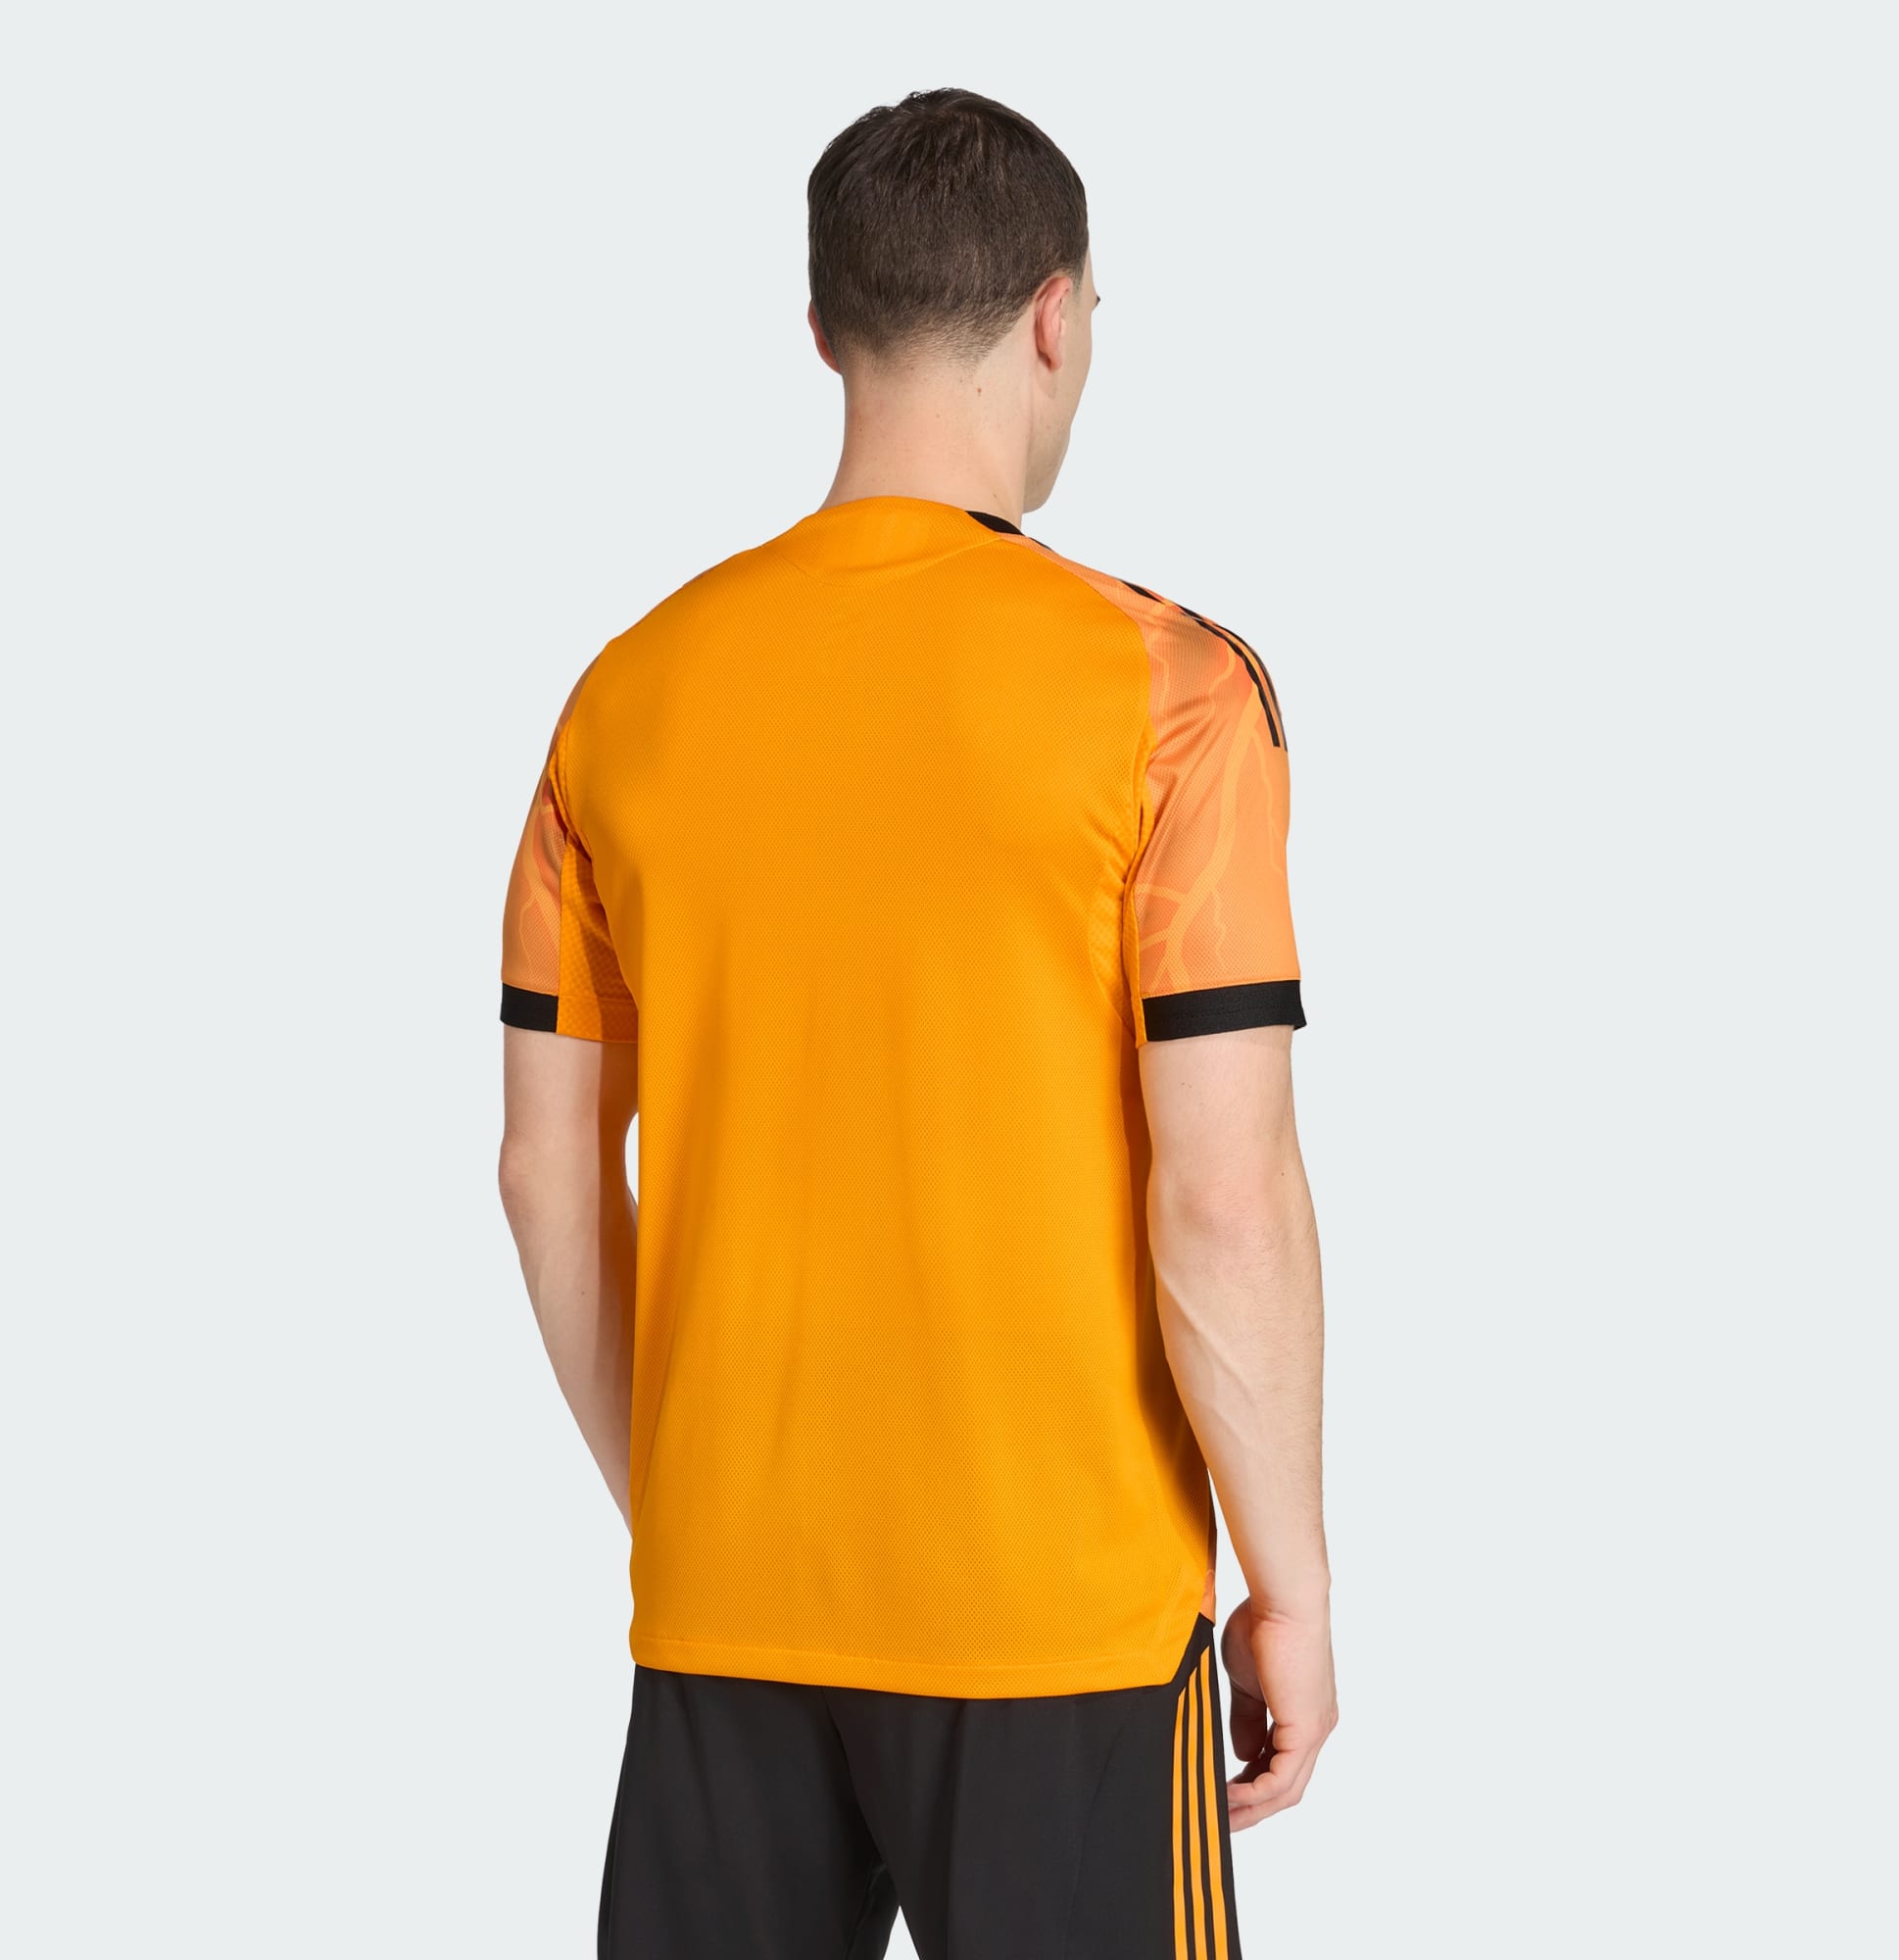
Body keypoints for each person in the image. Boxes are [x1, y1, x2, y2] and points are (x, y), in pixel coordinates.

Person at [498, 86, 1335, 1960]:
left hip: (725, 1609)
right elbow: (1225, 1197)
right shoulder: (1173, 692)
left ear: (826, 330)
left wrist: (692, 1512)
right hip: (1060, 1627)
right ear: (1054, 314)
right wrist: (1290, 1582)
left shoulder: (623, 698)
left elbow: (546, 1170)